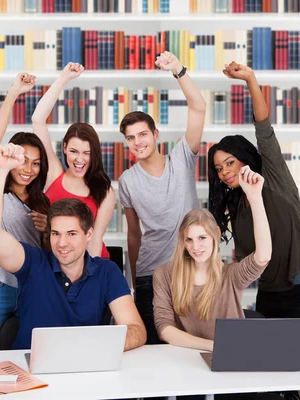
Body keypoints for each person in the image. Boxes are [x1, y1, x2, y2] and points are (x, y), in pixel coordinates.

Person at [0, 143, 147, 350]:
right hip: (30, 373)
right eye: (55, 233)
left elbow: (136, 329)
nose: (62, 243)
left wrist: (89, 347)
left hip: (83, 369)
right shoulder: (33, 263)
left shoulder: (107, 271)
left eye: (72, 234)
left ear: (89, 235)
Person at [208, 62, 300, 339]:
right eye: (219, 168)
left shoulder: (273, 178)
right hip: (269, 294)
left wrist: (250, 78)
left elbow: (263, 127)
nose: (225, 172)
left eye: (230, 162)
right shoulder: (236, 206)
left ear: (245, 160)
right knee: (266, 369)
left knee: (291, 364)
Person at [118, 51, 206, 344]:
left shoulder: (181, 158)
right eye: (131, 138)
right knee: (152, 350)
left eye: (142, 134)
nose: (137, 142)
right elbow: (134, 235)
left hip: (190, 271)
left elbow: (199, 107)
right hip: (148, 276)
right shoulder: (127, 181)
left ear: (155, 134)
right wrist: (133, 279)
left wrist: (178, 70)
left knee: (189, 349)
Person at [153, 166, 271, 352]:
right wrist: (214, 347)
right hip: (190, 358)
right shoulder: (165, 274)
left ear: (216, 234)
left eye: (202, 238)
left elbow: (263, 257)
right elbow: (165, 329)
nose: (195, 247)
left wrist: (255, 199)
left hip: (232, 356)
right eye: (189, 240)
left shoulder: (231, 275)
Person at [0, 73, 51, 351]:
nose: (28, 169)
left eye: (36, 163)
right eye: (23, 160)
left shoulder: (44, 203)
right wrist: (14, 92)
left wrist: (47, 231)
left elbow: (51, 253)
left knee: (26, 360)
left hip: (32, 289)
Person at [31, 63, 113, 259]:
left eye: (87, 153)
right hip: (54, 263)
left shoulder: (104, 190)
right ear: (65, 148)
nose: (79, 159)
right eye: (74, 151)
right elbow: (38, 119)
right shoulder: (54, 174)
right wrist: (63, 78)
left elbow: (94, 242)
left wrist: (86, 282)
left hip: (92, 266)